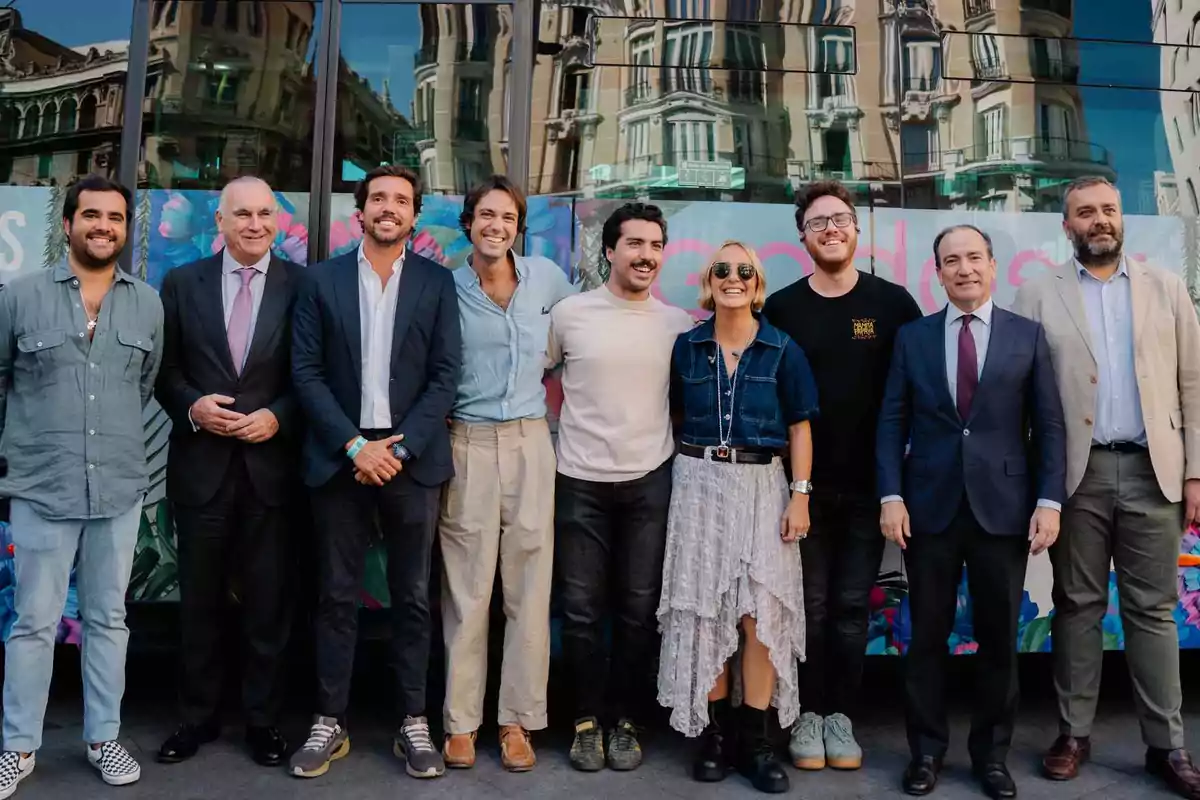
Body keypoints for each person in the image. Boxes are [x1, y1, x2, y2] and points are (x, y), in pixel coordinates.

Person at [1012, 176, 1200, 799]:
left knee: (1153, 612)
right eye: (1085, 212)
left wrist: (1195, 471)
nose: (1100, 220)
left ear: (1123, 220)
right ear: (1066, 226)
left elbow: (1194, 387)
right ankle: (1074, 733)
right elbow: (1018, 396)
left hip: (1155, 471)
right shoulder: (1037, 294)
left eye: (1109, 210)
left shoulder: (1166, 289)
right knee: (1078, 606)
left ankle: (1166, 746)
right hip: (1076, 474)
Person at [876, 225, 1066, 799]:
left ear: (992, 265)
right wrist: (891, 494)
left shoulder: (1027, 336)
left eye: (974, 258)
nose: (964, 269)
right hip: (928, 510)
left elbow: (1049, 426)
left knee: (998, 642)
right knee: (926, 640)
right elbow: (891, 422)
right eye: (951, 260)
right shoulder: (912, 337)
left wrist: (1049, 501)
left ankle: (991, 757)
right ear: (937, 272)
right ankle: (926, 753)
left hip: (1003, 512)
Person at [288, 165, 461, 781]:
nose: (390, 208)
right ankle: (329, 719)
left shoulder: (439, 285)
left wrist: (400, 448)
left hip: (411, 465)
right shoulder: (321, 281)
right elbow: (304, 373)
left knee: (413, 598)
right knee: (335, 596)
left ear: (414, 216)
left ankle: (413, 720)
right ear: (359, 211)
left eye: (402, 200)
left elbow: (446, 375)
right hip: (340, 462)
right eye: (379, 198)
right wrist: (357, 446)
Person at [0, 175, 163, 795]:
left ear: (127, 228)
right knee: (34, 622)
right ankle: (18, 746)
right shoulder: (19, 297)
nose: (103, 226)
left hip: (118, 487)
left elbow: (143, 385)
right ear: (67, 224)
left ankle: (104, 738)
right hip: (42, 485)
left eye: (116, 217)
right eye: (91, 215)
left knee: (108, 619)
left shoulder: (147, 303)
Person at [762, 180, 922, 771]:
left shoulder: (893, 304)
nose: (832, 229)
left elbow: (912, 397)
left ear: (857, 230)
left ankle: (840, 716)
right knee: (808, 606)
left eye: (841, 219)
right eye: (819, 221)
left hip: (869, 489)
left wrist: (898, 488)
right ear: (801, 236)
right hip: (796, 489)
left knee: (853, 605)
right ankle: (804, 715)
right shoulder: (781, 308)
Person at [154, 177, 303, 768]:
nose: (255, 223)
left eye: (266, 213)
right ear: (219, 221)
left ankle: (263, 721)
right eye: (242, 214)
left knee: (269, 605)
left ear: (278, 221)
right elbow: (163, 369)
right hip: (201, 469)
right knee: (200, 604)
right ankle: (196, 717)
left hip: (272, 471)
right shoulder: (181, 283)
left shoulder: (302, 287)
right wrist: (192, 406)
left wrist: (279, 416)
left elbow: (313, 375)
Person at [658, 241, 817, 794]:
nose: (733, 278)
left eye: (744, 270)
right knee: (706, 611)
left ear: (757, 283)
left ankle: (755, 741)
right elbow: (671, 412)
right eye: (722, 270)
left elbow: (800, 425)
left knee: (759, 616)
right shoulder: (686, 347)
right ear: (709, 282)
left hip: (761, 484)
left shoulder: (782, 349)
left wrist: (800, 495)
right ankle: (714, 737)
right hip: (699, 483)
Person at [548, 202, 694, 772]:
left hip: (649, 482)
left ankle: (625, 720)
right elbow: (538, 374)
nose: (646, 256)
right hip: (578, 480)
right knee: (582, 611)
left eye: (656, 246)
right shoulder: (570, 314)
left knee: (637, 610)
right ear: (609, 251)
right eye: (634, 244)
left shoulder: (676, 324)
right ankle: (585, 720)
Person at [439, 175, 574, 772]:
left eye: (508, 217)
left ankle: (517, 721)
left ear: (520, 226)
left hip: (529, 441)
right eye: (486, 215)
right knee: (468, 591)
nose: (497, 226)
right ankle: (461, 724)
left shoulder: (546, 278)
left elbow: (571, 347)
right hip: (465, 442)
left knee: (529, 587)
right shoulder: (445, 286)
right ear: (469, 222)